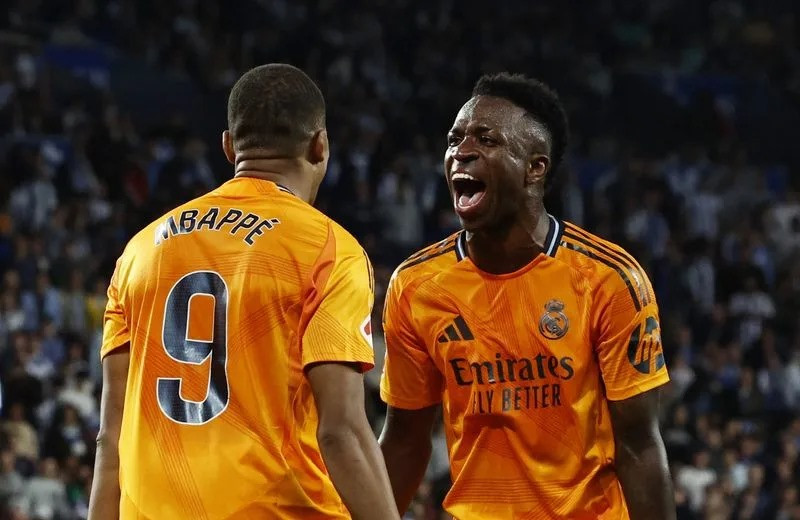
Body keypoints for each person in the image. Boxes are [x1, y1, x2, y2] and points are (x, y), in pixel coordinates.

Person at [87, 64, 399, 520]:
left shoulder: (139, 251)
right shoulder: (329, 249)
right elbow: (342, 433)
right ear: (320, 145)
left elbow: (109, 436)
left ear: (229, 146)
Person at [379, 72, 676, 519]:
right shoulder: (416, 285)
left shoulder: (608, 279)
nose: (462, 151)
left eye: (486, 139)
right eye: (455, 138)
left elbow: (638, 445)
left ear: (535, 167)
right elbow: (404, 440)